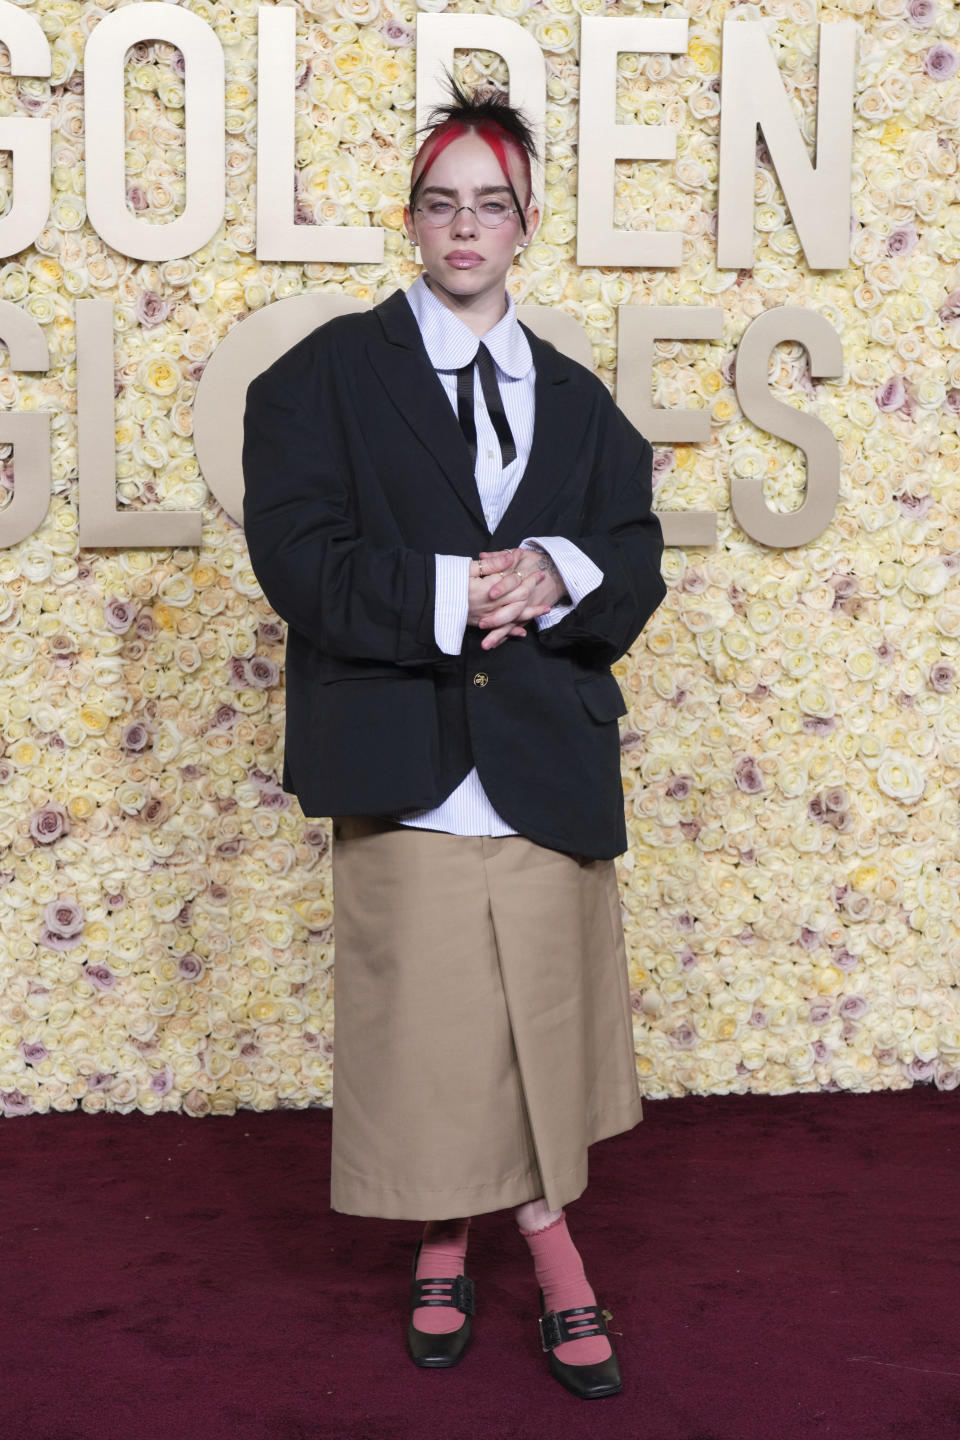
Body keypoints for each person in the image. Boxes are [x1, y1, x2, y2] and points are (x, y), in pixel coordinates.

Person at [241, 75, 665, 1400]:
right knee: (430, 1031)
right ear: (411, 221)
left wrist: (553, 568)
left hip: (543, 758)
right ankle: (521, 1245)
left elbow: (633, 556)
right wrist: (451, 592)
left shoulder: (583, 400)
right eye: (442, 204)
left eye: (492, 205)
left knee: (534, 1023)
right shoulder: (317, 380)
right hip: (401, 758)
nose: (466, 227)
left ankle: (462, 1237)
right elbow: (299, 560)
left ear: (526, 224)